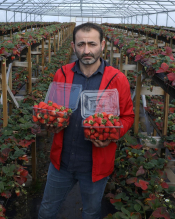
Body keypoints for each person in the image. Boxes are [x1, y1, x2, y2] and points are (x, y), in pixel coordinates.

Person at [38, 22, 135, 219]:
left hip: (96, 165)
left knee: (91, 213)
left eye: (92, 44)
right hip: (61, 163)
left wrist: (112, 134)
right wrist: (49, 121)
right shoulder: (62, 73)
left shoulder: (118, 79)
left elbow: (127, 117)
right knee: (46, 211)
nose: (87, 50)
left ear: (103, 45)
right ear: (73, 46)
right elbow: (54, 109)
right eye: (81, 44)